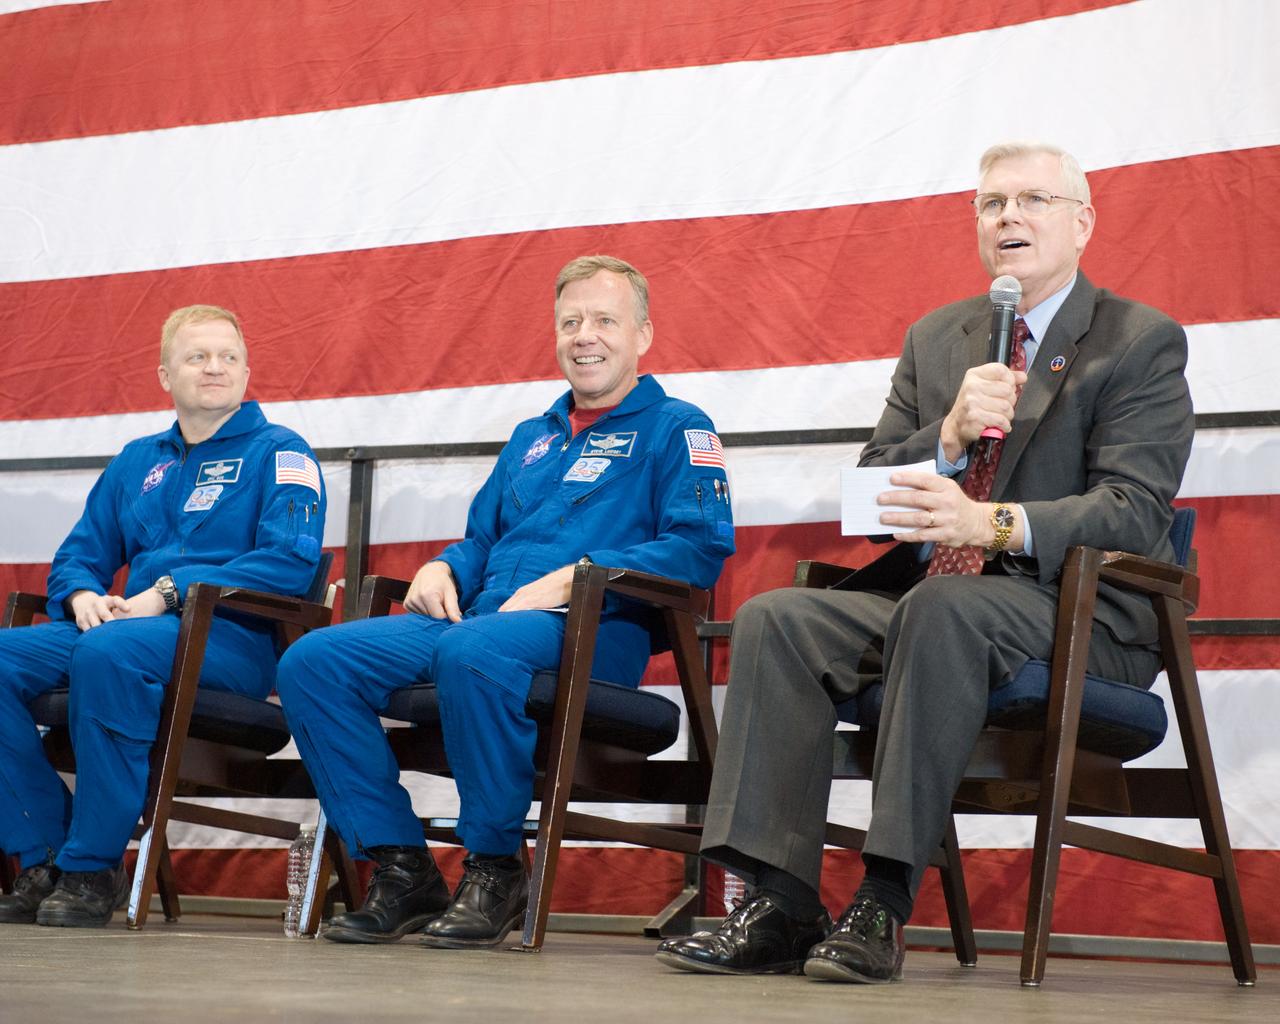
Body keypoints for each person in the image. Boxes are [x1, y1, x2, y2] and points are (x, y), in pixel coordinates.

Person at [656, 142, 1194, 983]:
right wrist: (943, 440)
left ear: (1082, 223)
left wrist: (989, 522)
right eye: (991, 204)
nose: (1009, 217)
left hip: (1074, 610)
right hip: (936, 595)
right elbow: (871, 500)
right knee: (778, 618)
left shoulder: (1139, 341)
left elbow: (1133, 508)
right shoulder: (939, 337)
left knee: (941, 612)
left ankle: (883, 900)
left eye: (1033, 201)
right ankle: (781, 900)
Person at [276, 254, 735, 949]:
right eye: (571, 321)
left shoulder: (677, 426)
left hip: (594, 631)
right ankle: (402, 869)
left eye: (605, 320)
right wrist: (442, 565)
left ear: (642, 334)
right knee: (313, 662)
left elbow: (700, 546)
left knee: (472, 650)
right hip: (490, 621)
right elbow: (483, 542)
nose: (586, 335)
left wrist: (581, 574)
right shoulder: (534, 437)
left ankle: (495, 866)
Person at [0, 305, 327, 928]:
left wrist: (171, 592)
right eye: (197, 357)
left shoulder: (281, 453)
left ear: (247, 370)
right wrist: (80, 597)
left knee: (107, 653)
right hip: (131, 630)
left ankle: (93, 865)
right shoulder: (136, 460)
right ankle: (42, 852)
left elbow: (289, 561)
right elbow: (78, 555)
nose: (215, 368)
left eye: (228, 357)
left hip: (229, 640)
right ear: (164, 375)